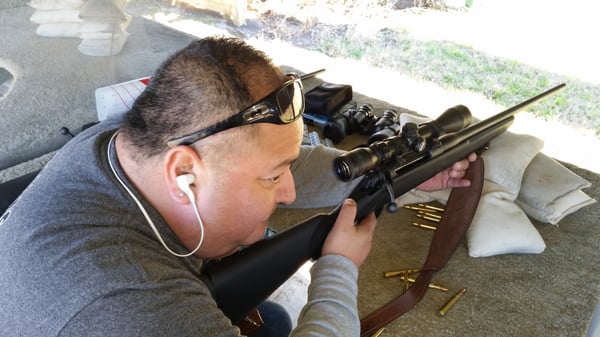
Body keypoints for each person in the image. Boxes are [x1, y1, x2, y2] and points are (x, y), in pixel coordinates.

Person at [0, 37, 475, 337]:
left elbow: (286, 161)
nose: (288, 193)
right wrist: (337, 269)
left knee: (270, 322)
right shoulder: (133, 305)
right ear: (184, 173)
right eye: (272, 178)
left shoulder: (126, 139)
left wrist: (384, 176)